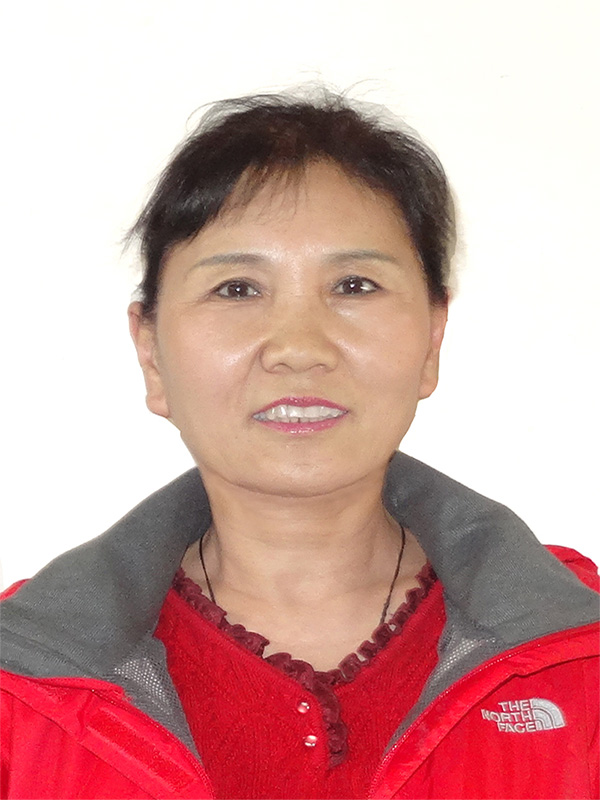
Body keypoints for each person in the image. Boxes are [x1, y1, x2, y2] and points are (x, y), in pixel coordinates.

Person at [1, 90, 598, 800]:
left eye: (354, 285)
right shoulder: (23, 679)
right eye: (236, 289)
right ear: (152, 354)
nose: (298, 347)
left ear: (431, 341)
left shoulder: (576, 652)